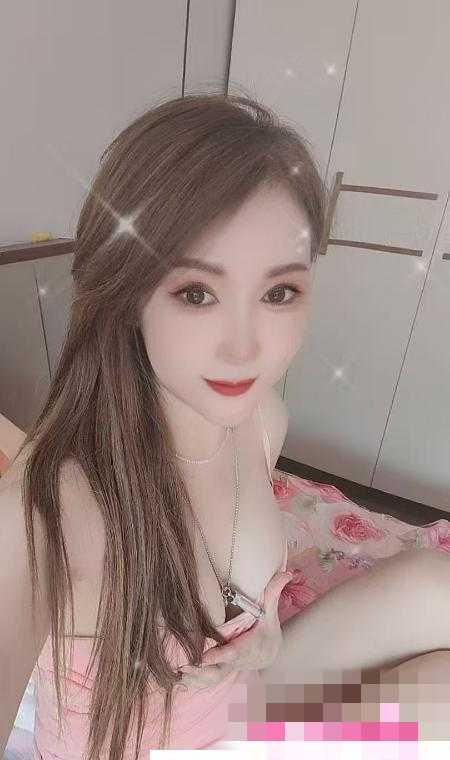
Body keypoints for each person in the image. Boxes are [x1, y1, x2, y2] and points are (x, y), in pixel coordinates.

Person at [1, 92, 450, 760]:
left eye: (278, 292)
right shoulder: (48, 509)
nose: (245, 349)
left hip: (241, 696)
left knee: (439, 591)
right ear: (126, 294)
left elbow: (247, 599)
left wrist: (262, 636)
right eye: (196, 293)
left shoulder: (263, 420)